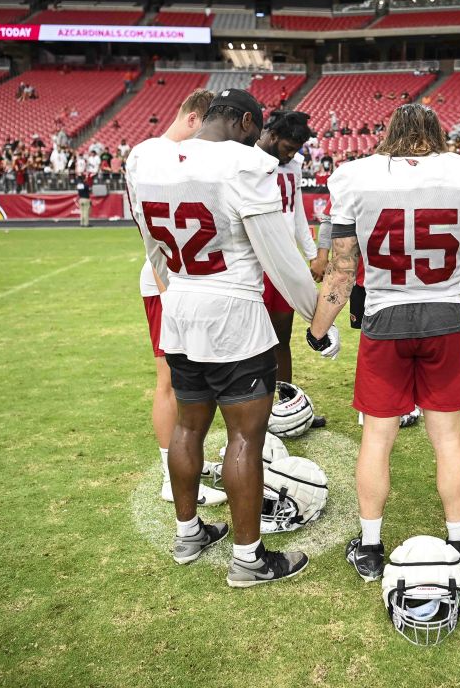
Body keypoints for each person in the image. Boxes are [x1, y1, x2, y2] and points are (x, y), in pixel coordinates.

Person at [130, 88, 338, 584]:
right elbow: (281, 261)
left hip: (179, 304)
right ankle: (249, 559)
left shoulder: (148, 160)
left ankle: (188, 534)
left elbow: (151, 245)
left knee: (188, 428)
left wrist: (174, 291)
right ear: (246, 121)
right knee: (246, 435)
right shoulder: (243, 165)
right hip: (234, 314)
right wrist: (317, 321)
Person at [308, 103, 460, 582]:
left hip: (385, 320)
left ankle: (371, 545)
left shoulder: (356, 177)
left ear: (391, 133)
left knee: (377, 439)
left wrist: (318, 330)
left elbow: (341, 270)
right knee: (448, 439)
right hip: (444, 317)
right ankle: (459, 541)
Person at [128, 89, 228, 505]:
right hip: (169, 283)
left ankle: (186, 459)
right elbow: (149, 236)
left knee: (195, 383)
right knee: (170, 381)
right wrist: (172, 294)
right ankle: (174, 476)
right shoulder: (151, 155)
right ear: (192, 121)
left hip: (184, 282)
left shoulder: (152, 155)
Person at [255, 111, 322, 388]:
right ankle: (255, 410)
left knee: (282, 336)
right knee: (256, 340)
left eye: (295, 150)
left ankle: (285, 403)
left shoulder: (293, 164)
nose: (290, 154)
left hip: (285, 262)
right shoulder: (249, 159)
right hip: (255, 262)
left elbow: (296, 214)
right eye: (287, 148)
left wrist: (312, 254)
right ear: (272, 136)